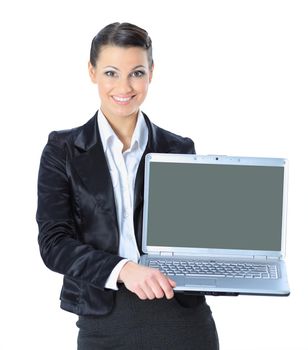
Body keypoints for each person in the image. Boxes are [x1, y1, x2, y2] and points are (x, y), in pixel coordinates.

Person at [36, 22, 219, 349]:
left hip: (180, 312)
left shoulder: (178, 150)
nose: (124, 86)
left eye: (136, 72)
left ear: (151, 72)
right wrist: (124, 269)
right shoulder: (62, 151)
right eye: (110, 73)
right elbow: (54, 244)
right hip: (103, 316)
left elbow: (190, 239)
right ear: (92, 72)